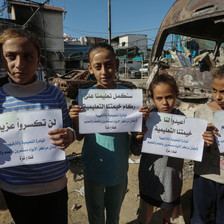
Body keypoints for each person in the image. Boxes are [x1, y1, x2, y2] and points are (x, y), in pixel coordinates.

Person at [0, 27, 75, 224]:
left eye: (27, 56)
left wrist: (69, 134)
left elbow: (70, 128)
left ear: (38, 59)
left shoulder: (54, 94)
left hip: (54, 186)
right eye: (11, 56)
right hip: (14, 188)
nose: (19, 64)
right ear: (2, 59)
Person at [69, 42, 149, 224]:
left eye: (109, 65)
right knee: (95, 214)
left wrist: (141, 118)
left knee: (114, 213)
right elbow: (80, 136)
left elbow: (134, 131)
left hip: (118, 165)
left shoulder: (128, 95)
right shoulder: (86, 97)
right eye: (98, 67)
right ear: (90, 69)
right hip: (93, 164)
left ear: (117, 65)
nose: (104, 71)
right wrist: (75, 118)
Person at [134, 73, 214, 224]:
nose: (164, 102)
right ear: (153, 98)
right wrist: (137, 137)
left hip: (172, 182)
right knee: (144, 218)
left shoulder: (185, 122)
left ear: (177, 95)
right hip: (149, 179)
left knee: (173, 218)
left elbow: (194, 149)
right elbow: (135, 150)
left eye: (169, 97)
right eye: (159, 98)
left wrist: (204, 142)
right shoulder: (147, 119)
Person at [190, 66, 224, 224]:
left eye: (223, 92)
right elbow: (190, 146)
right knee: (199, 217)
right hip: (205, 175)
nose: (218, 97)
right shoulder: (202, 112)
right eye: (214, 90)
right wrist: (202, 141)